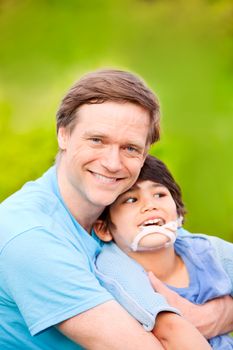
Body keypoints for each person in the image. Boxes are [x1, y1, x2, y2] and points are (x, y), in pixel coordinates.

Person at [0, 69, 231, 349]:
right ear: (63, 135)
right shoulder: (30, 236)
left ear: (145, 154)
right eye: (97, 140)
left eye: (130, 148)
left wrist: (209, 315)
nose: (112, 163)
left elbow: (205, 259)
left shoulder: (119, 210)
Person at [94, 154, 233, 349]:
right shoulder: (113, 267)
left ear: (176, 210)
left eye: (159, 194)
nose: (150, 205)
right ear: (104, 229)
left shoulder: (208, 251)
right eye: (131, 199)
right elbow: (170, 331)